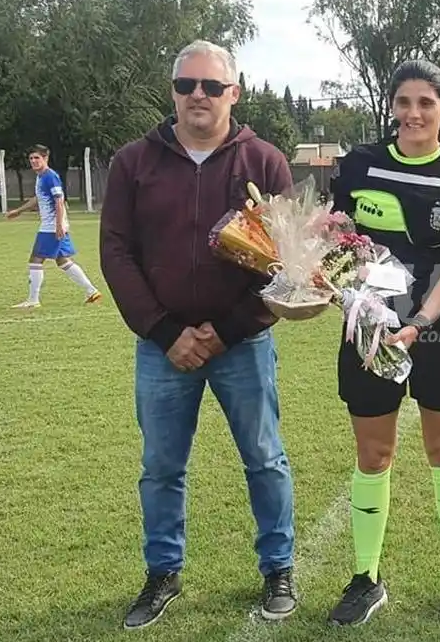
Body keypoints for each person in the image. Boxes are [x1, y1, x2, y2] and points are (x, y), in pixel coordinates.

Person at [99, 40, 298, 630]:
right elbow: (115, 251)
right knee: (161, 466)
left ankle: (278, 568)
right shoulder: (134, 162)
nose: (198, 97)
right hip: (164, 349)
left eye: (212, 87)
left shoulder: (265, 162)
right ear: (174, 92)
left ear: (234, 93)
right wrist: (165, 332)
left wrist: (228, 330)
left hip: (242, 344)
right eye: (187, 85)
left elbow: (289, 264)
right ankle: (163, 572)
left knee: (264, 459)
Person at [327, 59, 440, 629]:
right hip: (367, 328)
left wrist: (419, 319)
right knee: (374, 455)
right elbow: (335, 243)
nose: (414, 113)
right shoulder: (359, 165)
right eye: (404, 102)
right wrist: (343, 295)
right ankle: (366, 578)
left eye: (427, 102)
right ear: (391, 106)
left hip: (438, 329)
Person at [7, 145, 102, 308]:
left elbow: (59, 201)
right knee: (63, 260)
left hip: (51, 226)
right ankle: (91, 291)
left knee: (35, 260)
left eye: (37, 158)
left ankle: (33, 300)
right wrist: (19, 211)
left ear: (45, 158)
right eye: (31, 158)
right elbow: (38, 198)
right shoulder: (41, 177)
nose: (34, 161)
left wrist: (58, 225)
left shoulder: (50, 177)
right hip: (53, 225)